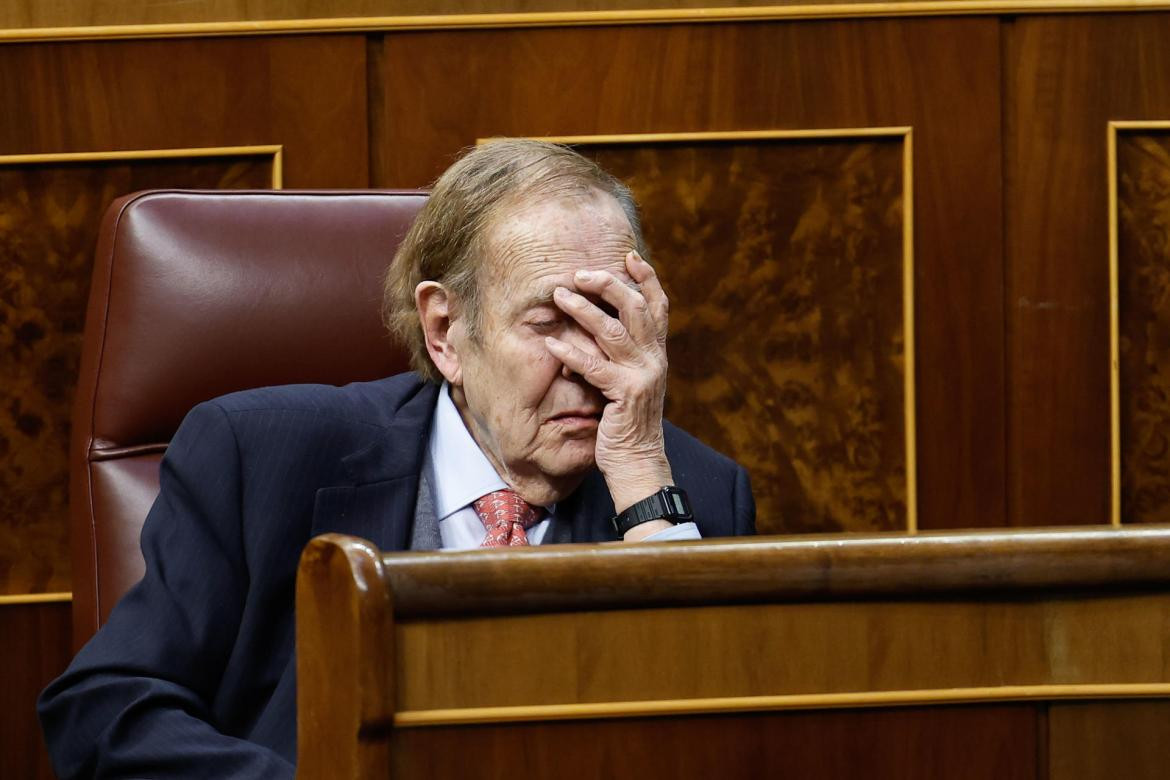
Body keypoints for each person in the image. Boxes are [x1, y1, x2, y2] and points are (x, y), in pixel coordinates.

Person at [39, 139, 756, 778]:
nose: (587, 365)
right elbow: (105, 707)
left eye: (612, 321)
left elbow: (737, 744)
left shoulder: (692, 496)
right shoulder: (260, 457)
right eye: (551, 324)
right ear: (445, 330)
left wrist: (640, 478)